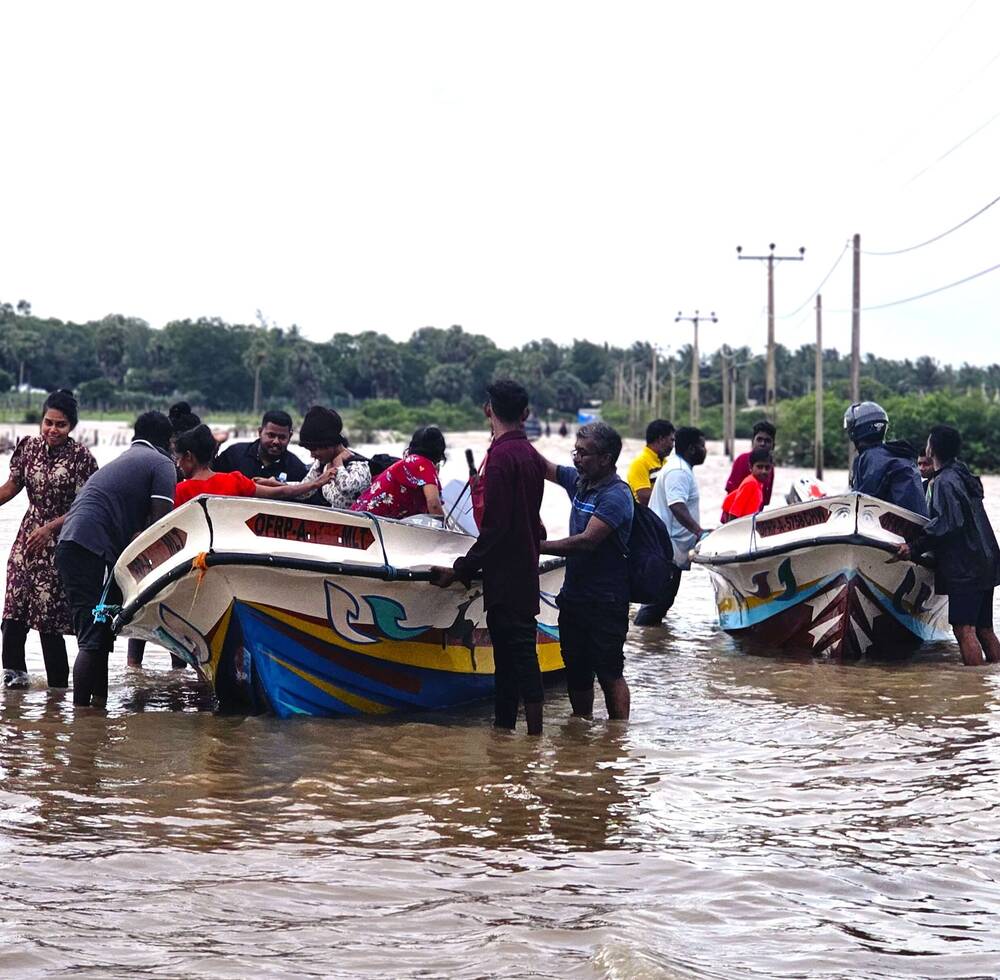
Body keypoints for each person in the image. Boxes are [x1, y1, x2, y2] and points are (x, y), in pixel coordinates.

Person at [429, 381, 546, 734]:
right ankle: (508, 734)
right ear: (525, 414)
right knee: (515, 659)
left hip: (505, 576)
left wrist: (459, 569)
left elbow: (494, 529)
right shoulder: (531, 456)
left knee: (517, 659)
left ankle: (531, 736)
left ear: (487, 410)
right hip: (525, 569)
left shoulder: (499, 459)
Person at [54, 411, 177, 707]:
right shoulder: (161, 464)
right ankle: (82, 717)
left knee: (101, 631)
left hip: (72, 545)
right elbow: (160, 529)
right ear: (168, 440)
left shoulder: (126, 459)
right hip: (90, 549)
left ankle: (97, 710)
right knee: (93, 635)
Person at [0, 390, 98, 689]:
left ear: (71, 427)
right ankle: (14, 689)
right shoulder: (28, 448)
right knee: (13, 613)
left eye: (61, 425)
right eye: (48, 423)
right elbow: (11, 487)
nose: (52, 430)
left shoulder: (82, 458)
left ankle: (57, 692)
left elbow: (86, 507)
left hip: (60, 543)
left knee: (49, 620)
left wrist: (50, 529)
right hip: (26, 542)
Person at [538, 422, 634, 720]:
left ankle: (617, 737)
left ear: (606, 459)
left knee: (608, 672)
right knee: (576, 670)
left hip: (606, 601)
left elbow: (587, 541)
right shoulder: (579, 482)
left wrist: (536, 545)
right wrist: (508, 432)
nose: (576, 459)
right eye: (575, 452)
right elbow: (544, 467)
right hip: (575, 596)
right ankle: (581, 728)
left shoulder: (616, 495)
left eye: (584, 453)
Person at [896, 425, 1000, 666]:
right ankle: (990, 681)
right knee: (985, 629)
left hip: (967, 568)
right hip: (986, 561)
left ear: (932, 449)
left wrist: (913, 547)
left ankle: (973, 687)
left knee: (964, 630)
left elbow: (946, 525)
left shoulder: (943, 482)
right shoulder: (963, 474)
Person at [128, 400, 203, 668]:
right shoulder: (167, 467)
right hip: (175, 546)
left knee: (143, 605)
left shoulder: (162, 463)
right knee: (177, 611)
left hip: (149, 542)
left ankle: (134, 667)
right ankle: (178, 669)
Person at [634, 427, 709, 626]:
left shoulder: (679, 467)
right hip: (666, 548)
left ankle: (650, 643)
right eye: (702, 446)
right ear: (692, 449)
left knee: (662, 601)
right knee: (657, 602)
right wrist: (699, 531)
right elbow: (676, 505)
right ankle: (646, 646)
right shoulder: (679, 471)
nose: (705, 450)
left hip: (668, 547)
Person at [173, 424, 335, 507]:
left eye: (179, 458)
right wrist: (316, 483)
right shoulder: (234, 481)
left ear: (189, 457)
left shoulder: (179, 491)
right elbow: (281, 492)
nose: (178, 464)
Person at [844, 401, 927, 516]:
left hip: (892, 524)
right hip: (913, 524)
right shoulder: (898, 452)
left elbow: (863, 500)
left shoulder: (871, 457)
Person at [351, 426, 445, 519]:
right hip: (369, 522)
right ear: (438, 450)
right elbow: (434, 505)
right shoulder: (423, 465)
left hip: (360, 515)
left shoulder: (410, 462)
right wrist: (445, 530)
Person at [294, 406, 371, 509]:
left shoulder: (359, 465)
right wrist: (278, 486)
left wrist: (338, 463)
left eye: (314, 449)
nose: (312, 455)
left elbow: (346, 487)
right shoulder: (321, 465)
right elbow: (304, 490)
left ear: (330, 443)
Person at [213, 409, 308, 483]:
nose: (276, 441)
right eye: (271, 435)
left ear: (290, 436)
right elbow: (209, 476)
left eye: (282, 437)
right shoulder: (234, 455)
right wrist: (214, 445)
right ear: (260, 432)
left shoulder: (297, 468)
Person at [725, 420, 776, 506]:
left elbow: (765, 500)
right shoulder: (742, 460)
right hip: (736, 516)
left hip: (755, 516)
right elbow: (731, 493)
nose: (762, 444)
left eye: (767, 441)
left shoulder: (770, 467)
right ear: (752, 442)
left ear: (773, 445)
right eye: (759, 439)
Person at [627, 419, 675, 507]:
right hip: (645, 518)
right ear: (661, 439)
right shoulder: (640, 463)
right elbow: (644, 497)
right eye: (671, 440)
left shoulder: (665, 462)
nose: (672, 445)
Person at [720, 447, 773, 523]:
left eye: (767, 468)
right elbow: (734, 511)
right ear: (751, 467)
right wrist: (731, 532)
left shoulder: (758, 483)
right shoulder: (750, 483)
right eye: (759, 467)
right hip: (738, 526)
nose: (764, 471)